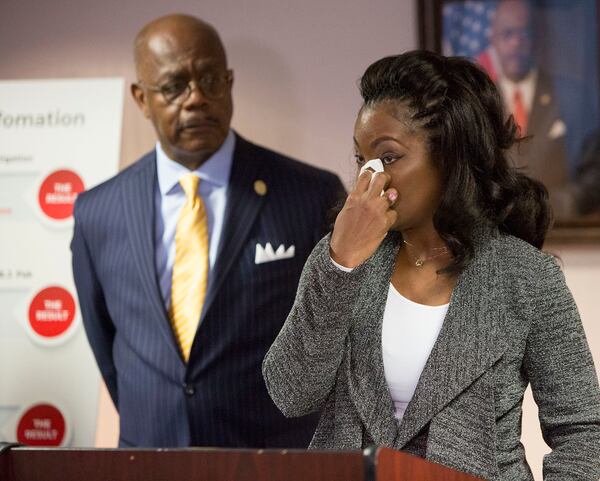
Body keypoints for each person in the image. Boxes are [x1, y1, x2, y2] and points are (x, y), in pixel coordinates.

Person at [263, 50, 600, 481]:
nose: (369, 178)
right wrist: (340, 265)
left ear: (449, 157)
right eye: (359, 160)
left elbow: (582, 431)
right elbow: (291, 394)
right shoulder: (337, 259)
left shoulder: (528, 277)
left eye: (387, 158)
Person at [71, 14, 345, 448]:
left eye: (210, 79)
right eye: (174, 86)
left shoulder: (310, 194)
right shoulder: (97, 213)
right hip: (148, 460)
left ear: (230, 81)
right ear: (142, 99)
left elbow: (336, 334)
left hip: (275, 460)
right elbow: (106, 345)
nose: (196, 98)